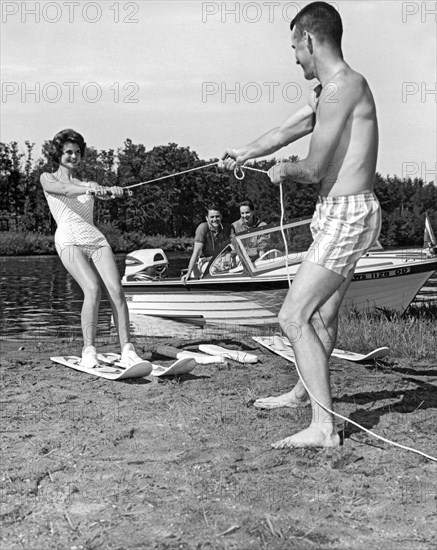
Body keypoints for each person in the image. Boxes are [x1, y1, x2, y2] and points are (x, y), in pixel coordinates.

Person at [222, 2, 381, 448]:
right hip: (336, 213)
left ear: (310, 40)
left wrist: (283, 170)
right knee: (323, 314)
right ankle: (303, 391)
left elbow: (311, 168)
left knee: (293, 315)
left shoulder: (344, 88)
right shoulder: (327, 92)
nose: (295, 59)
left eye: (295, 47)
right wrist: (245, 153)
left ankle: (324, 427)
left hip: (348, 214)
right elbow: (284, 131)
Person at [40, 128, 146, 369]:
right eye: (68, 152)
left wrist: (113, 191)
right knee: (92, 288)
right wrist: (90, 189)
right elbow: (66, 191)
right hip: (68, 239)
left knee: (116, 290)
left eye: (77, 152)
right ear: (58, 154)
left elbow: (106, 194)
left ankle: (127, 350)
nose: (73, 157)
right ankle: (89, 350)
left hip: (94, 238)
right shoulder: (47, 178)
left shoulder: (88, 183)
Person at [181, 206, 232, 282]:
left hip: (222, 259)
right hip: (205, 261)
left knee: (240, 261)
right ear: (207, 218)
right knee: (213, 270)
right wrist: (188, 273)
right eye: (212, 217)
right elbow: (196, 252)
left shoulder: (227, 228)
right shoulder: (202, 228)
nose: (215, 219)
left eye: (217, 216)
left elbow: (234, 248)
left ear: (221, 217)